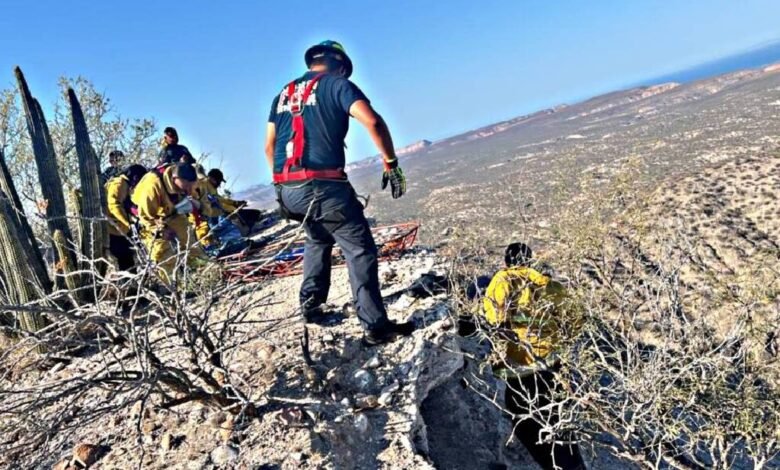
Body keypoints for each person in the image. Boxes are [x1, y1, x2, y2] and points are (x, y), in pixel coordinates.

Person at [265, 40, 411, 346]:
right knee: (359, 249)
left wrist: (284, 185)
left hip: (287, 190)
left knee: (318, 238)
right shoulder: (338, 85)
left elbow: (270, 146)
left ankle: (310, 308)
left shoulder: (283, 94)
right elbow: (372, 121)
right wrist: (391, 164)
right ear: (341, 67)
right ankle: (375, 326)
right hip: (323, 188)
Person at [482, 243, 585, 470]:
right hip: (552, 361)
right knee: (557, 417)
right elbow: (577, 320)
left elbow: (494, 320)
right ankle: (574, 465)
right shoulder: (550, 285)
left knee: (526, 419)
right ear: (530, 261)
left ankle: (549, 465)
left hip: (520, 365)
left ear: (506, 261)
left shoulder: (502, 280)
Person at [130, 162, 204, 280]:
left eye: (191, 187)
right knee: (163, 253)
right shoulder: (153, 185)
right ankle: (172, 284)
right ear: (174, 179)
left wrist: (198, 204)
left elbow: (194, 196)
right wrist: (161, 231)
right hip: (148, 220)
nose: (189, 191)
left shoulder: (186, 182)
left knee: (189, 241)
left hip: (170, 213)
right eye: (186, 188)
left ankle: (203, 273)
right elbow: (145, 217)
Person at [105, 164, 147, 271]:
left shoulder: (125, 185)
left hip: (120, 229)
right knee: (125, 259)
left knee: (128, 258)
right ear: (136, 177)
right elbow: (114, 206)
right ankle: (130, 280)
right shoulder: (119, 183)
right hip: (114, 229)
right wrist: (129, 223)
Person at [205, 168, 263, 234]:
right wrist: (234, 206)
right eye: (219, 181)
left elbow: (222, 200)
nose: (219, 184)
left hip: (227, 211)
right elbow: (219, 203)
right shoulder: (205, 189)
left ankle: (249, 227)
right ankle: (245, 230)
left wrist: (236, 203)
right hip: (222, 215)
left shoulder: (212, 188)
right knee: (249, 214)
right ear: (212, 179)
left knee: (254, 212)